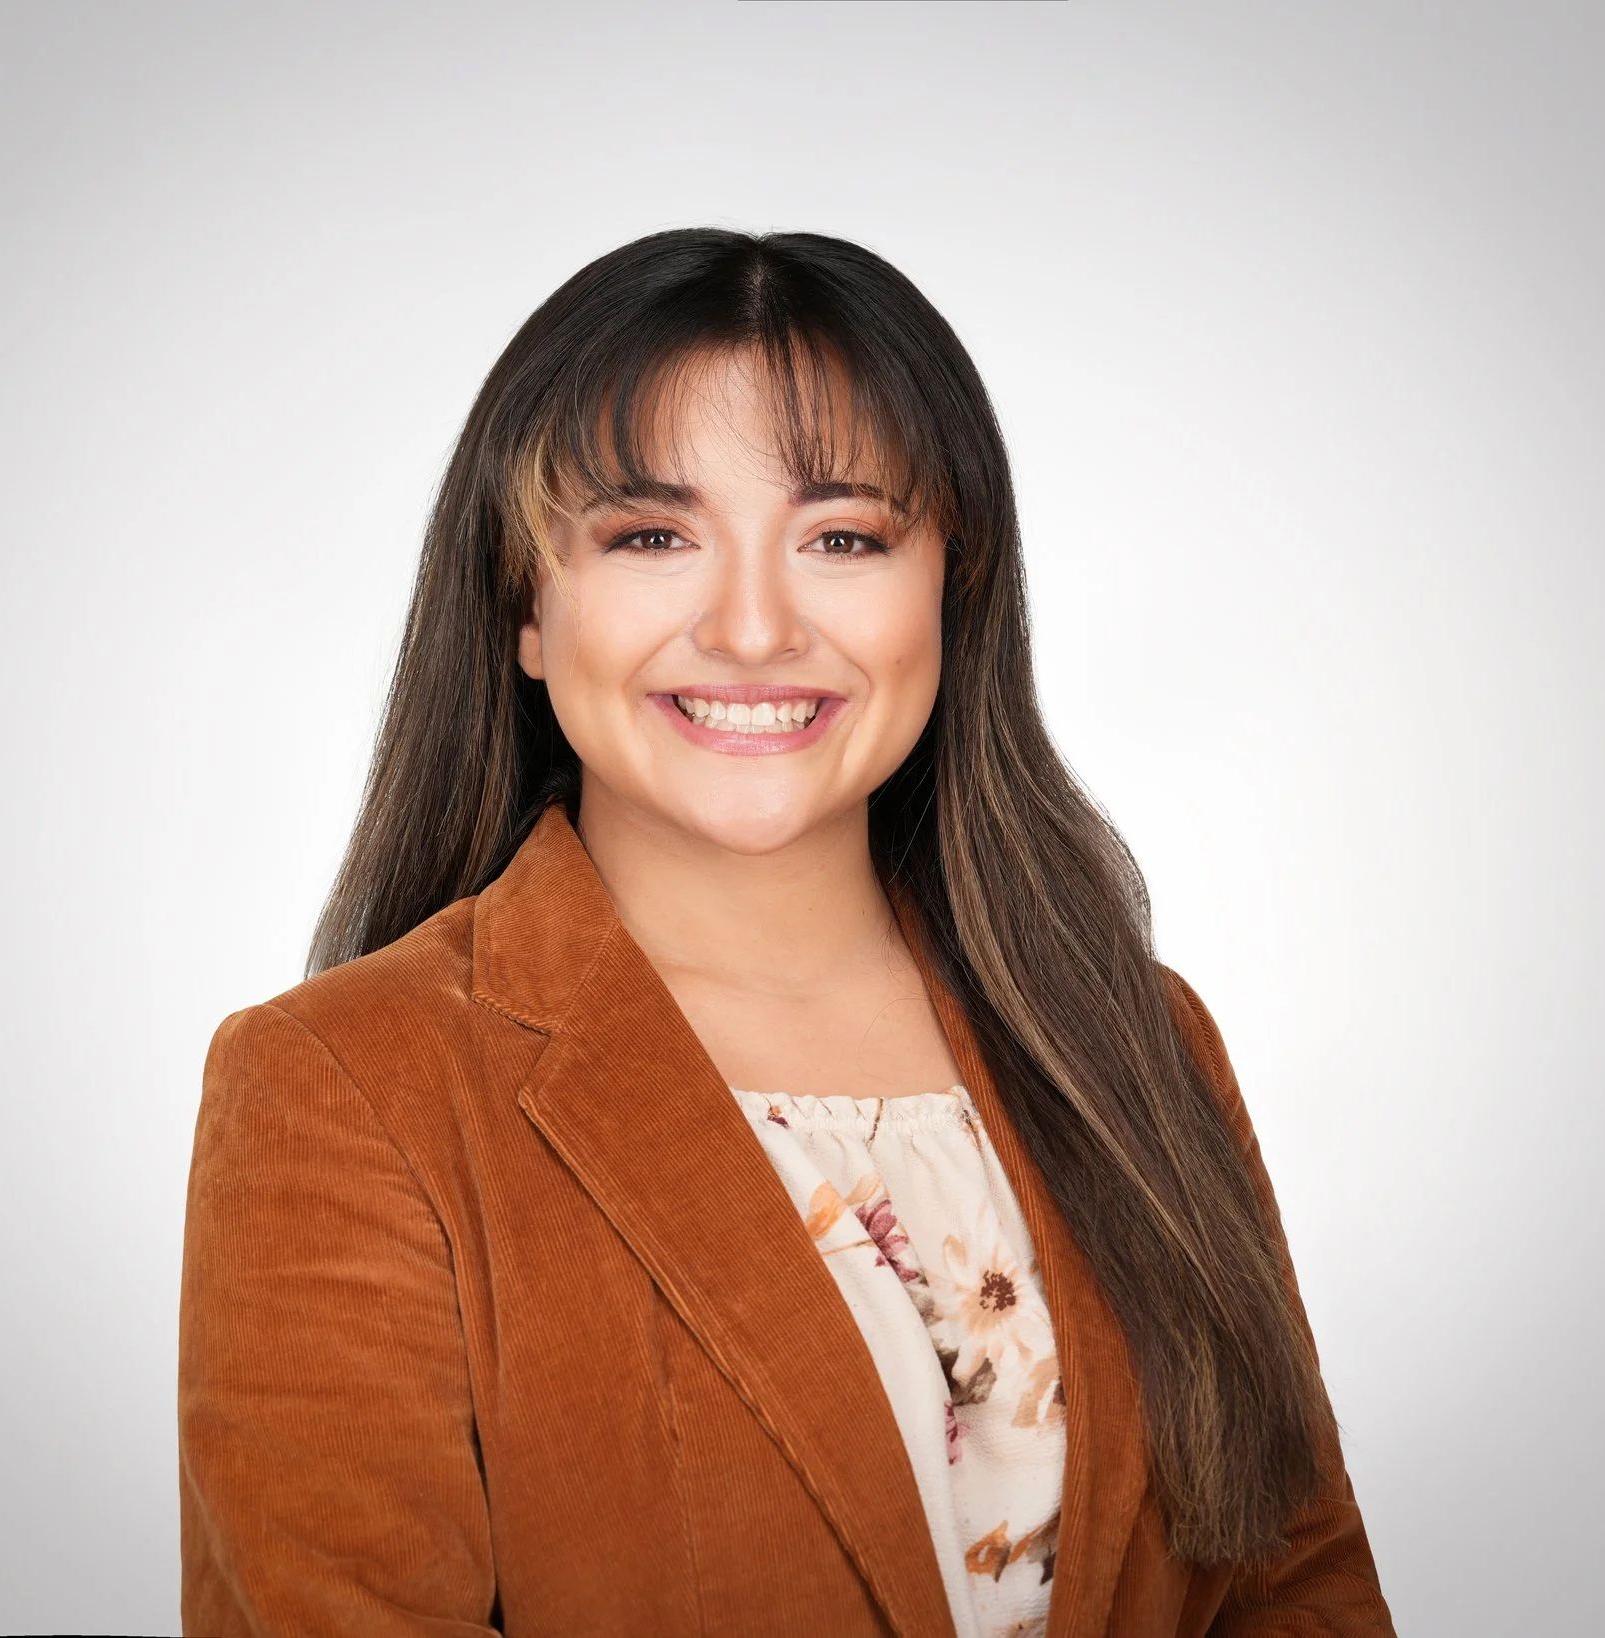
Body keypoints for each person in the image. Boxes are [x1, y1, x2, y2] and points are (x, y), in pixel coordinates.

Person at [177, 227, 1396, 1637]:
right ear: (523, 602)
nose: (754, 628)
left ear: (953, 585)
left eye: (841, 537)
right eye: (650, 536)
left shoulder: (1135, 1037)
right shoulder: (347, 1086)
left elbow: (1296, 1591)